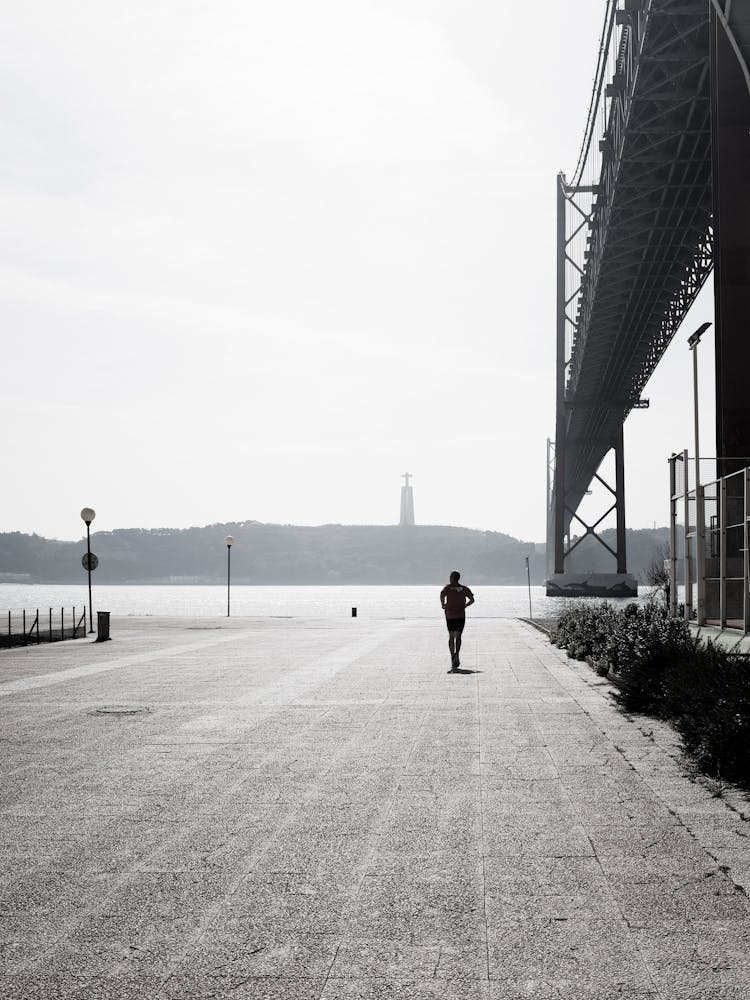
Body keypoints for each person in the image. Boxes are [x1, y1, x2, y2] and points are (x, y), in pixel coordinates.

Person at [440, 571, 474, 672]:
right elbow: (472, 600)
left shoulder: (447, 588)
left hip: (450, 615)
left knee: (451, 636)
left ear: (451, 578)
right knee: (458, 636)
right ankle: (457, 654)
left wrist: (443, 604)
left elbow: (442, 595)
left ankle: (452, 656)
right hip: (460, 615)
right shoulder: (464, 588)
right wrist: (465, 606)